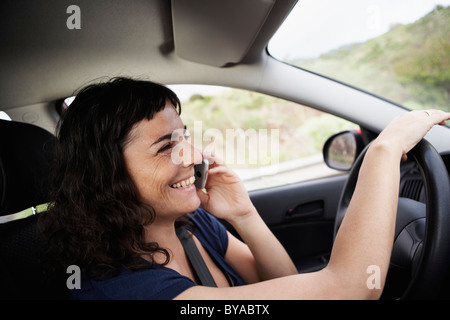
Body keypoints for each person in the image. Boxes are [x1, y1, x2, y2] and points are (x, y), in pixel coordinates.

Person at [39, 77, 450, 300]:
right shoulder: (128, 290)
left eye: (185, 137)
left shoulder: (192, 224)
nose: (194, 155)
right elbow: (351, 289)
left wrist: (243, 214)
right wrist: (384, 151)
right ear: (107, 174)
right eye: (167, 147)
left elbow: (276, 278)